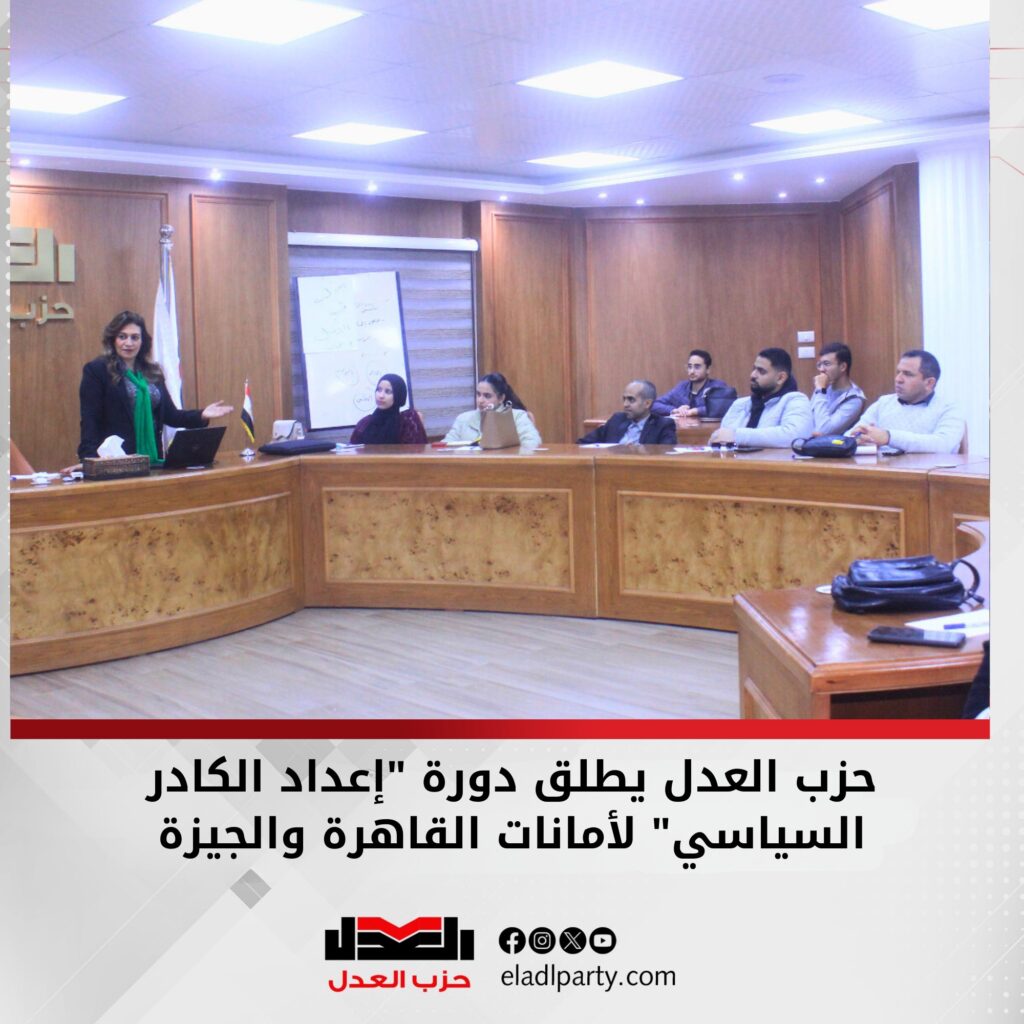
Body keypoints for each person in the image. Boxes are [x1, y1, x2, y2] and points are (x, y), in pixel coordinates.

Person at [78, 310, 233, 461]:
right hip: (116, 459)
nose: (129, 343)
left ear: (142, 341)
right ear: (113, 339)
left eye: (135, 337)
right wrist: (89, 460)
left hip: (152, 457)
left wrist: (201, 415)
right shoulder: (97, 370)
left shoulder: (152, 372)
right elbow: (90, 419)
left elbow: (171, 415)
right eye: (122, 337)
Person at [849, 349, 965, 453]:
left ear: (929, 383)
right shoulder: (884, 402)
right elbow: (851, 435)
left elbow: (943, 445)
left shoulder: (949, 408)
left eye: (908, 374)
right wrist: (858, 440)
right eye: (898, 372)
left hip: (927, 470)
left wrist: (889, 437)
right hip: (881, 468)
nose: (898, 379)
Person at [711, 347, 812, 447]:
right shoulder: (740, 404)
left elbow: (795, 436)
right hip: (735, 458)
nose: (753, 375)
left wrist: (737, 436)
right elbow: (721, 437)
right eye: (754, 369)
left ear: (780, 378)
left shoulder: (796, 400)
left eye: (761, 371)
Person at [443, 373, 542, 446]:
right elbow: (445, 446)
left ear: (501, 398)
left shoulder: (517, 416)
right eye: (478, 394)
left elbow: (533, 442)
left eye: (487, 396)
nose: (480, 400)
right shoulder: (463, 419)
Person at [578, 380, 677, 445]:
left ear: (647, 403)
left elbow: (665, 454)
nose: (625, 404)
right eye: (624, 399)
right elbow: (582, 443)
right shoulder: (617, 420)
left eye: (631, 400)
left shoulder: (662, 425)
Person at [651, 349, 737, 420]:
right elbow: (654, 404)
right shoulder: (682, 387)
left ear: (708, 369)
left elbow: (722, 407)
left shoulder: (717, 386)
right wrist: (674, 410)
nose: (692, 371)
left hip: (709, 430)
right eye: (689, 367)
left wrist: (695, 411)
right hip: (684, 430)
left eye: (697, 367)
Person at [349, 374, 427, 445]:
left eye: (388, 391)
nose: (381, 396)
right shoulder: (365, 423)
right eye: (379, 390)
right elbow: (353, 450)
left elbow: (416, 452)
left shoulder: (407, 421)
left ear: (398, 395)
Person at [809, 341, 865, 435]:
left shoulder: (855, 400)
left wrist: (820, 391)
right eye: (820, 365)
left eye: (827, 364)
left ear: (843, 367)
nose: (821, 369)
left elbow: (824, 430)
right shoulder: (823, 387)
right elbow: (809, 420)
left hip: (832, 443)